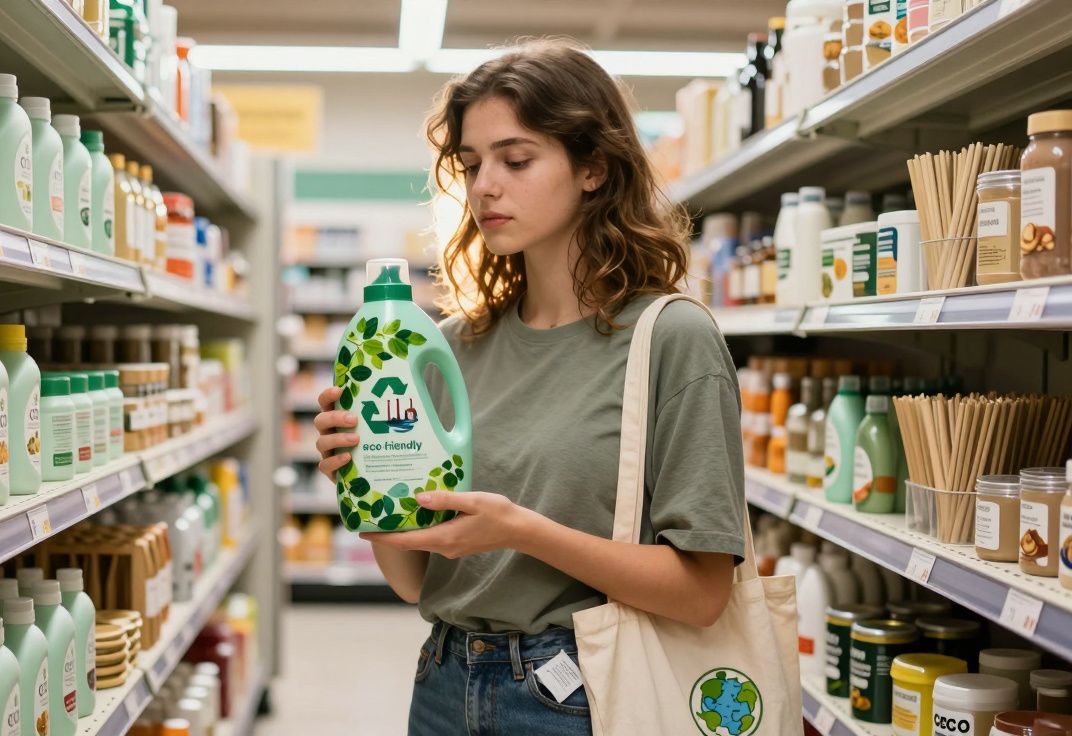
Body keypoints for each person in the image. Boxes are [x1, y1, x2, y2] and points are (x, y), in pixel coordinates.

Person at [312, 38, 747, 735]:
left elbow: (702, 594)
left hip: (580, 694)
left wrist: (523, 533)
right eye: (470, 164)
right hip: (442, 685)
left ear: (594, 168)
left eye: (515, 160)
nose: (484, 186)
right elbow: (415, 582)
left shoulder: (669, 337)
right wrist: (364, 477)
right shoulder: (448, 348)